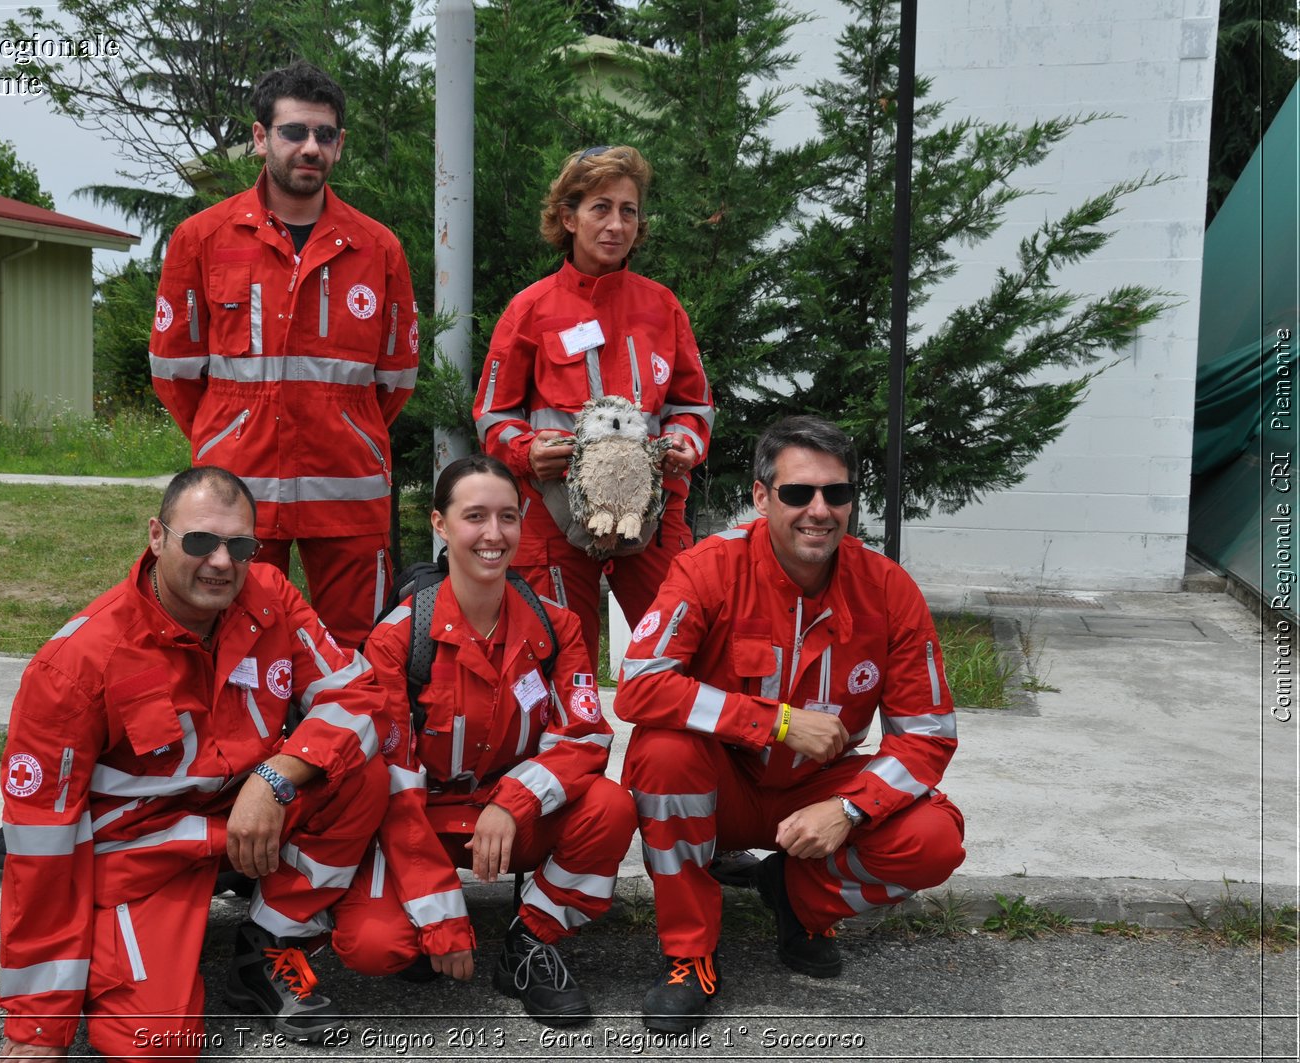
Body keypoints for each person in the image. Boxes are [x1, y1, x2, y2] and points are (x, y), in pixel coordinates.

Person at [0, 466, 389, 1060]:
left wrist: (275, 776)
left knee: (360, 772)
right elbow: (42, 849)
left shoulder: (271, 598)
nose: (222, 563)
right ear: (156, 537)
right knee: (158, 1046)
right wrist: (37, 1034)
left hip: (246, 816)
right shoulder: (75, 664)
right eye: (200, 541)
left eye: (240, 545)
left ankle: (270, 949)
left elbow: (357, 696)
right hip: (145, 853)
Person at [616, 416, 967, 1033]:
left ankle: (797, 898)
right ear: (760, 497)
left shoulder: (889, 589)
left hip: (816, 792)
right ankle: (689, 953)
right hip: (722, 784)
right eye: (797, 493)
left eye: (836, 493)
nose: (819, 510)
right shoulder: (708, 568)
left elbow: (928, 734)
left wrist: (852, 810)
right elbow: (641, 685)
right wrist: (776, 723)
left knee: (934, 838)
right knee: (662, 751)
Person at [330, 455, 637, 1026]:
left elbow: (587, 736)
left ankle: (530, 942)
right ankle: (426, 925)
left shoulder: (558, 626)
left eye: (507, 517)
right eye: (474, 517)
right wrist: (442, 920)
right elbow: (392, 786)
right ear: (441, 526)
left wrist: (512, 800)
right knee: (375, 947)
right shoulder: (398, 639)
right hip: (419, 821)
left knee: (610, 806)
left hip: (511, 822)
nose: (493, 535)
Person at [150, 61, 418, 650]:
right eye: (294, 131)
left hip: (348, 489)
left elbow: (395, 379)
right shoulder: (201, 239)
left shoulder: (378, 248)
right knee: (231, 640)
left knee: (358, 649)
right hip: (236, 492)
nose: (311, 147)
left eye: (325, 135)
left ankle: (346, 743)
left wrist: (345, 425)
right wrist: (229, 429)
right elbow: (174, 372)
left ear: (340, 145)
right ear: (260, 137)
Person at [472, 144, 713, 658]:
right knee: (556, 654)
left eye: (628, 211)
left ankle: (672, 738)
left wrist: (686, 444)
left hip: (654, 511)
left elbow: (694, 402)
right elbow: (493, 412)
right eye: (600, 208)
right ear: (568, 217)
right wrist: (525, 452)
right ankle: (571, 740)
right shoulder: (530, 309)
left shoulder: (663, 307)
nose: (616, 224)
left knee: (681, 649)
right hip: (552, 515)